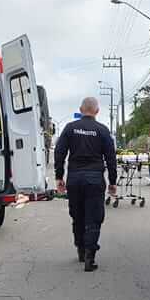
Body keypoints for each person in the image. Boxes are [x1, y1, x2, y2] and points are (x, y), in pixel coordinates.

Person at [55, 97, 118, 272]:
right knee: (94, 217)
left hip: (75, 179)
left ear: (81, 109)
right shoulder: (102, 130)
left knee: (78, 215)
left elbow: (59, 153)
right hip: (95, 179)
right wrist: (113, 182)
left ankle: (81, 249)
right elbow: (111, 159)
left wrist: (59, 177)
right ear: (97, 111)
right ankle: (90, 255)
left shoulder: (70, 128)